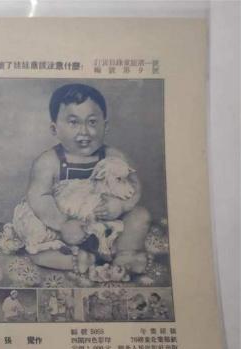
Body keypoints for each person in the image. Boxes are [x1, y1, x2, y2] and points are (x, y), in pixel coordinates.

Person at [10, 83, 150, 274]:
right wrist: (62, 224)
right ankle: (77, 260)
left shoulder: (114, 157)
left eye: (92, 122)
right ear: (54, 129)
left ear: (105, 126)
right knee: (38, 251)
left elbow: (134, 186)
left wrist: (122, 206)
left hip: (105, 224)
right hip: (66, 229)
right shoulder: (49, 161)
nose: (84, 131)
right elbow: (38, 198)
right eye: (73, 122)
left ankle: (125, 254)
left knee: (140, 216)